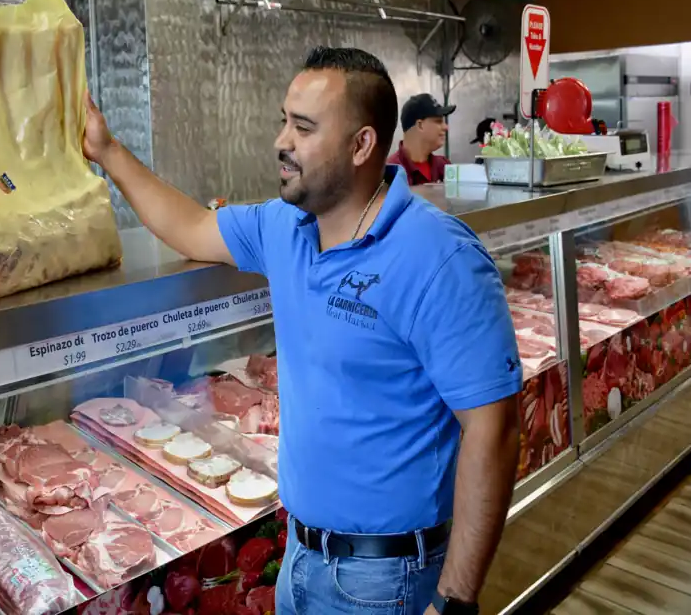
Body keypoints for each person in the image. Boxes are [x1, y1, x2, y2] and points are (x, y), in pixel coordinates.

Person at [83, 47, 522, 614]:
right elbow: (190, 227)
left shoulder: (439, 256)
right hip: (299, 554)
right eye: (283, 121)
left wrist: (456, 602)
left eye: (304, 127)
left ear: (362, 145)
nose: (281, 141)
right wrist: (107, 152)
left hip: (385, 577)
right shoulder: (284, 227)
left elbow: (494, 429)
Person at [388, 93, 454, 185]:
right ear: (420, 125)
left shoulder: (444, 166)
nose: (446, 127)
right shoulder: (390, 173)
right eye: (438, 121)